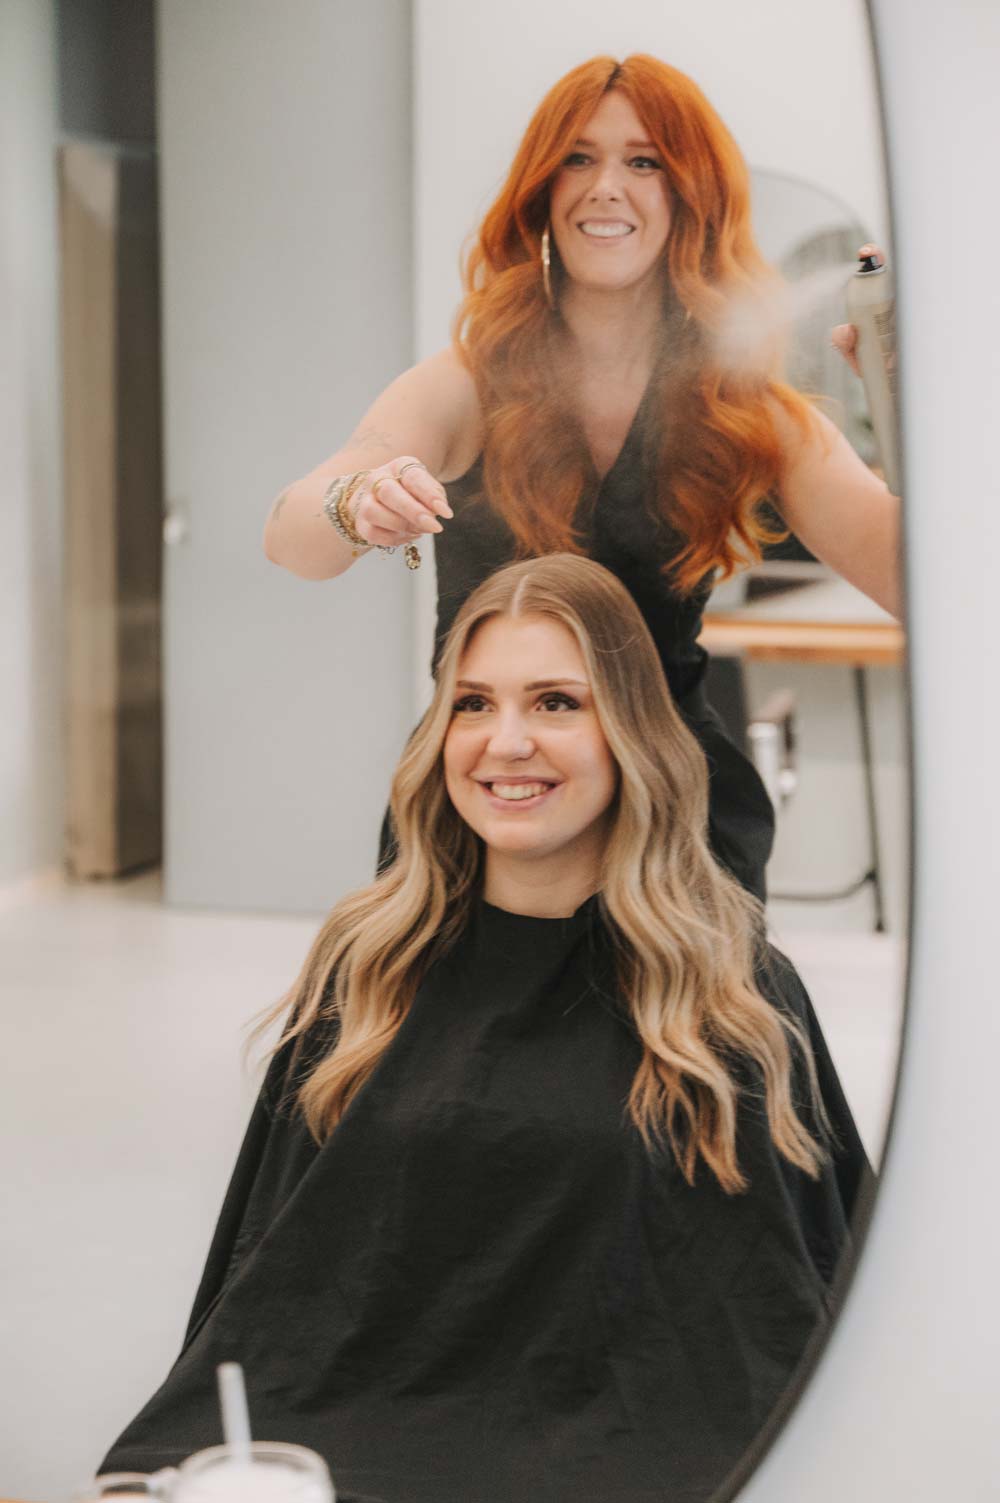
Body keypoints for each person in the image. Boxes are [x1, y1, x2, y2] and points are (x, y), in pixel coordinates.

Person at [100, 555, 869, 1503]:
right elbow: (264, 1277)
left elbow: (788, 1309)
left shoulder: (730, 990)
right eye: (472, 704)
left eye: (556, 702)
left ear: (631, 731)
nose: (506, 742)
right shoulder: (371, 963)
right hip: (352, 1450)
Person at [263, 53, 900, 902]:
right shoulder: (466, 386)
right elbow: (291, 535)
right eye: (578, 158)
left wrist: (918, 414)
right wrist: (353, 502)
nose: (606, 187)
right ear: (542, 190)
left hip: (674, 821)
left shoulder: (748, 411)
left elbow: (922, 584)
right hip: (494, 800)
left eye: (644, 162)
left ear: (692, 196)